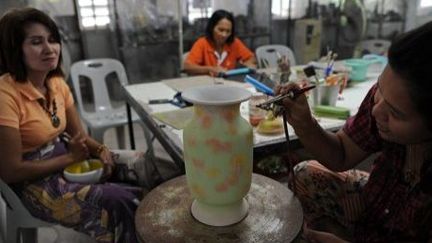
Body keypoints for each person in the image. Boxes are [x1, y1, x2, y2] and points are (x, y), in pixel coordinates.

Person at [0, 8, 175, 243]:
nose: (49, 48)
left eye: (52, 40)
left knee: (147, 166)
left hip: (69, 159)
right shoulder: (5, 94)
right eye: (36, 42)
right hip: (32, 185)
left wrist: (102, 150)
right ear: (15, 49)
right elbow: (10, 171)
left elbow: (79, 136)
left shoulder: (56, 83)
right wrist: (69, 159)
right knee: (118, 201)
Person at [276, 21, 432, 242]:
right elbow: (342, 153)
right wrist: (304, 123)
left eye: (396, 114)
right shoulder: (387, 97)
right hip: (379, 202)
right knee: (305, 175)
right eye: (379, 90)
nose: (376, 110)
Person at [183, 9, 257, 76]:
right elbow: (187, 67)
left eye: (228, 31)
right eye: (221, 30)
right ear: (212, 28)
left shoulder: (234, 43)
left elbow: (251, 58)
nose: (224, 35)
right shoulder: (202, 43)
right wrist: (210, 69)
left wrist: (247, 64)